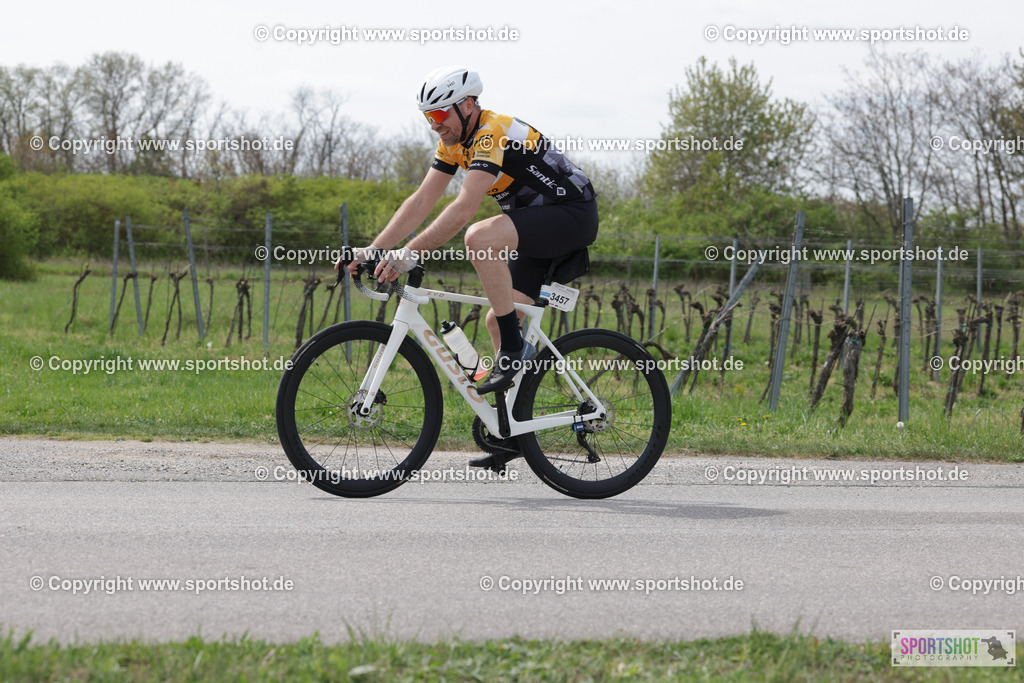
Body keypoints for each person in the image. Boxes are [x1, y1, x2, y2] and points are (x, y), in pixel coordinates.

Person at [340, 66, 598, 463]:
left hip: (571, 214)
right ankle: (514, 431)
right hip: (533, 224)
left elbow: (464, 209)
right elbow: (421, 202)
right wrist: (374, 249)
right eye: (428, 117)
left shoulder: (491, 131)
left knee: (479, 238)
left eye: (440, 115)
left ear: (468, 105)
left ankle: (513, 350)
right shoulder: (454, 143)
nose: (434, 125)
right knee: (499, 319)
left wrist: (410, 252)